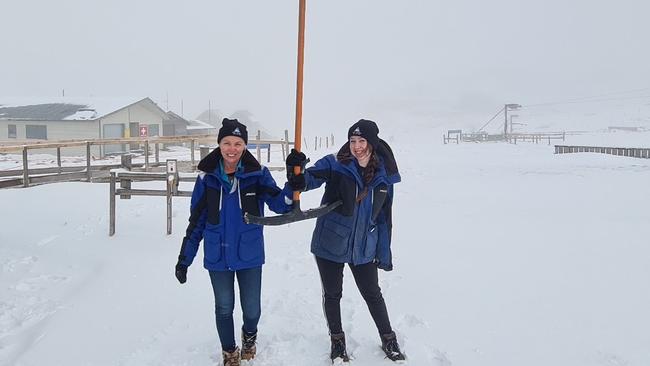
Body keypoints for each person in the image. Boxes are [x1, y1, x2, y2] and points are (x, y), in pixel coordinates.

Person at [175, 118, 293, 366]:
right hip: (217, 256)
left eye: (238, 143)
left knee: (252, 309)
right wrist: (184, 259)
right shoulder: (206, 179)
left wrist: (295, 182)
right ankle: (229, 352)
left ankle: (249, 337)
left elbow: (281, 205)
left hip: (249, 255)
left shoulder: (257, 175)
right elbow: (196, 222)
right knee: (223, 308)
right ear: (219, 145)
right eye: (227, 142)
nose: (232, 148)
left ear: (245, 146)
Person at [285, 119, 406, 362]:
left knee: (372, 293)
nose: (357, 146)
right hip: (330, 242)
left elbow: (384, 217)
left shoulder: (383, 174)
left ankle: (388, 338)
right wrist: (296, 173)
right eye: (353, 141)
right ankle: (337, 342)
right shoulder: (335, 163)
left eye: (362, 141)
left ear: (372, 143)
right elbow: (309, 180)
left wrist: (383, 252)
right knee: (332, 294)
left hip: (364, 245)